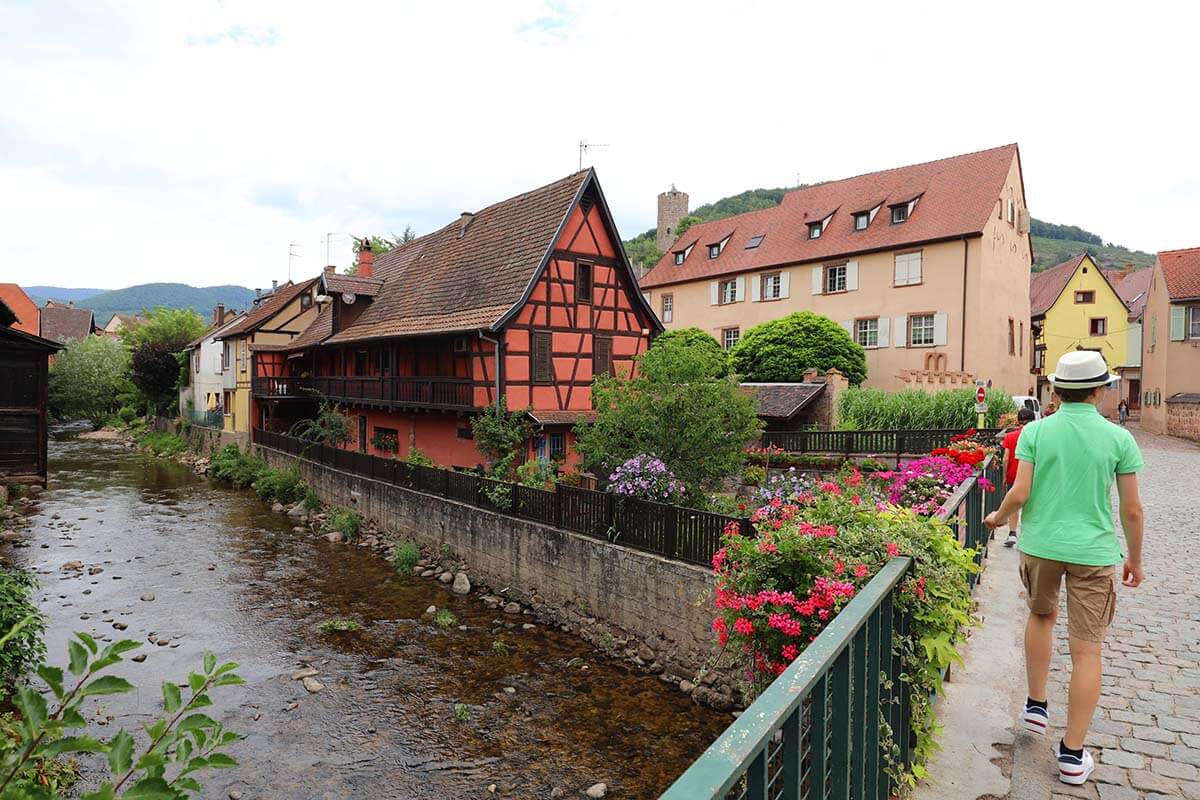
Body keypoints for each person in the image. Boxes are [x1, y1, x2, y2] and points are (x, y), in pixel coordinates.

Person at [984, 350, 1144, 787]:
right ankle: (1073, 756)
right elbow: (1131, 509)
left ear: (1055, 389)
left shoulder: (1036, 431)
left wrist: (998, 518)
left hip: (1041, 545)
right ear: (1100, 389)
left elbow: (1020, 491)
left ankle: (1036, 708)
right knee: (1088, 649)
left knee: (1041, 616)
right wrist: (1134, 558)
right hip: (1093, 551)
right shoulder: (1119, 439)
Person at [1000, 407, 1036, 547]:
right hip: (1032, 474)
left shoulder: (1010, 436)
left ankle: (1012, 534)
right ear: (1033, 420)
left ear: (1017, 421)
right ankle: (1029, 535)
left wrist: (1004, 476)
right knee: (1031, 504)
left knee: (1014, 504)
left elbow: (1006, 458)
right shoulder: (1036, 435)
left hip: (1013, 474)